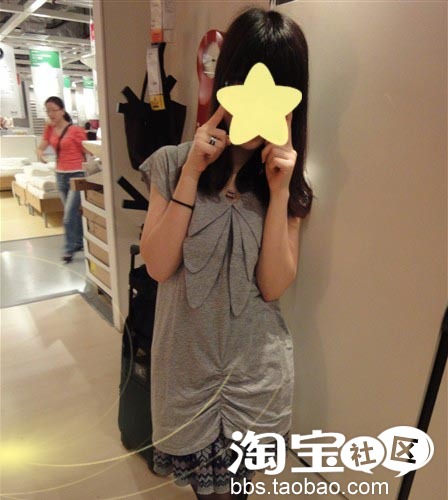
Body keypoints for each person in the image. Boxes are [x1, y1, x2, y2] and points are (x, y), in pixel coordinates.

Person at [139, 7, 313, 499]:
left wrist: (279, 193)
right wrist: (193, 172)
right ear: (226, 82)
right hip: (186, 373)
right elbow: (158, 265)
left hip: (255, 377)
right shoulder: (174, 163)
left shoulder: (289, 183)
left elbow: (272, 286)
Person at [37, 96, 88, 263]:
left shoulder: (76, 130)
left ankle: (68, 250)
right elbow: (42, 146)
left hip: (77, 174)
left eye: (54, 110)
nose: (51, 114)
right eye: (48, 110)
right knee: (72, 212)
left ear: (62, 110)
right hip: (59, 174)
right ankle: (79, 242)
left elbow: (87, 150)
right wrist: (40, 153)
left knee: (68, 215)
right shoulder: (49, 129)